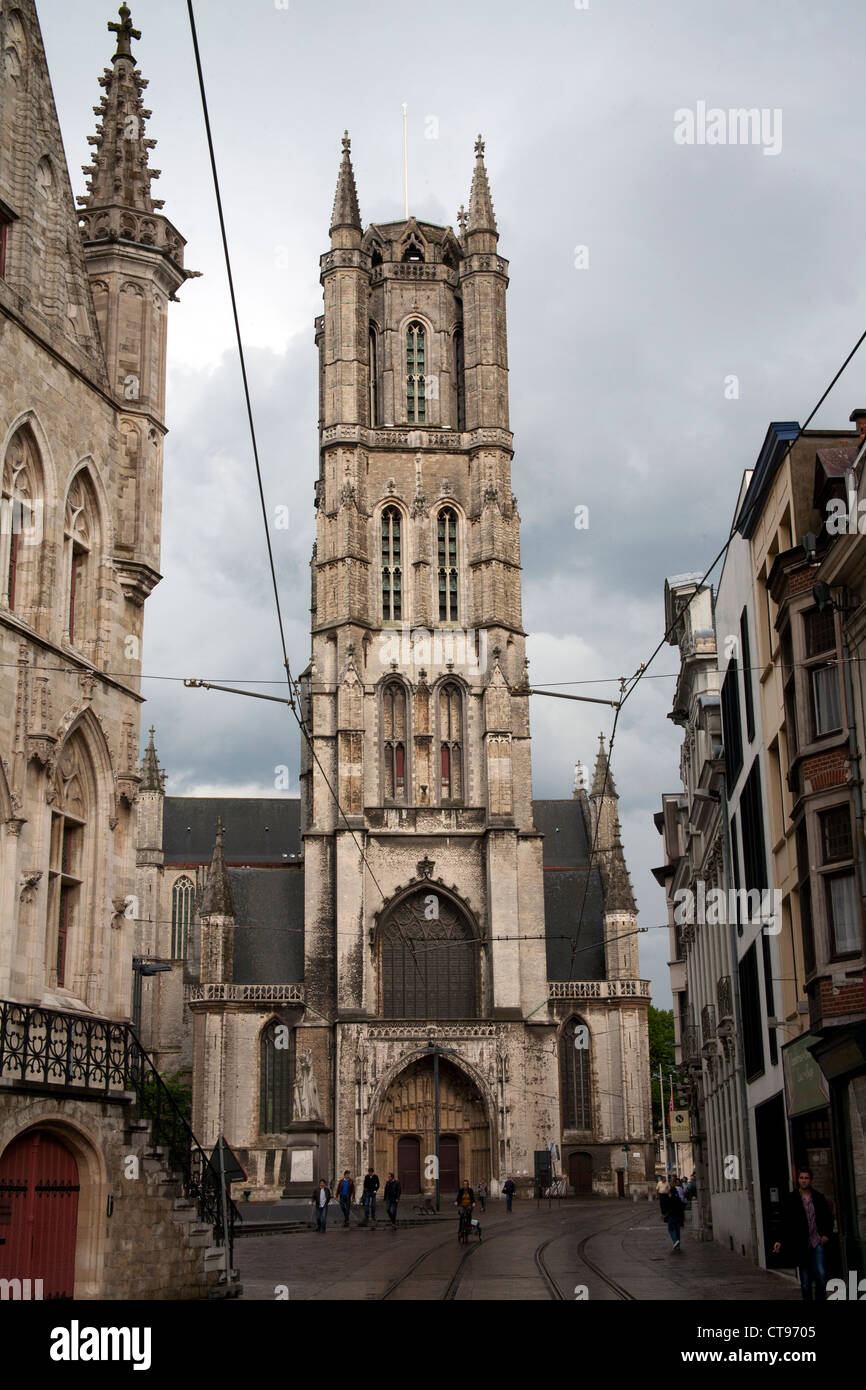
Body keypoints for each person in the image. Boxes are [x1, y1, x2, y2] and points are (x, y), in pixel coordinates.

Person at [773, 1168, 834, 1301]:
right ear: (798, 1180)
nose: (804, 1180)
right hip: (800, 1243)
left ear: (810, 1180)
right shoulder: (791, 1198)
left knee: (821, 1275)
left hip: (817, 1241)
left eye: (806, 1178)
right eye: (801, 1178)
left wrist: (826, 1235)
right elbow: (785, 1221)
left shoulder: (818, 1197)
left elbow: (828, 1218)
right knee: (805, 1281)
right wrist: (779, 1240)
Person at [658, 1181, 685, 1252]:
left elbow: (665, 1208)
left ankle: (675, 1240)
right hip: (678, 1216)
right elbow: (682, 1208)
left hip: (672, 1216)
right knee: (677, 1230)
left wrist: (664, 1214)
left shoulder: (669, 1199)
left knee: (671, 1229)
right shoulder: (678, 1199)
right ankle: (677, 1246)